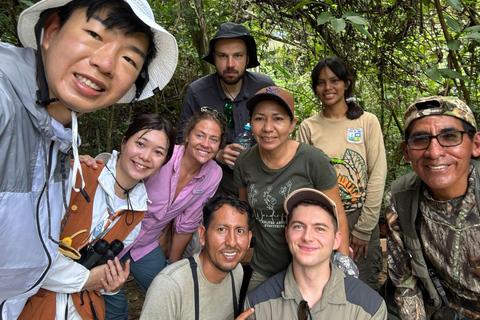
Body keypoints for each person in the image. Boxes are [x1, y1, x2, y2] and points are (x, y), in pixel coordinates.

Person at [0, 0, 177, 318]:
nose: (107, 63)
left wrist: (107, 281)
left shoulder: (59, 148)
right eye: (95, 35)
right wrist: (84, 278)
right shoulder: (9, 105)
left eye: (128, 58)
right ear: (51, 30)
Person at [17, 114, 175, 320]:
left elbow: (99, 273)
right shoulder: (77, 177)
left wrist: (110, 284)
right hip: (30, 303)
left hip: (83, 309)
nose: (146, 156)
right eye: (141, 144)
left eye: (158, 152)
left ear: (164, 161)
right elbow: (26, 255)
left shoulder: (136, 214)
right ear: (124, 141)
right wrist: (85, 279)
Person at [103, 107, 226, 319]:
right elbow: (118, 173)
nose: (205, 144)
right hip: (109, 242)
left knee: (171, 291)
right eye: (200, 135)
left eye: (213, 139)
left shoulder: (213, 174)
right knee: (115, 308)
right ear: (187, 135)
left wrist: (172, 264)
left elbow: (186, 224)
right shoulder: (162, 156)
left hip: (145, 244)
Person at [233, 86, 351, 291]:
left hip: (313, 270)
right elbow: (245, 213)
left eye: (278, 119)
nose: (268, 127)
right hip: (265, 267)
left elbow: (337, 213)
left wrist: (343, 264)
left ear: (292, 124)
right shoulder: (245, 161)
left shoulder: (313, 160)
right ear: (250, 123)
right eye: (260, 119)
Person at [385, 96, 480, 319]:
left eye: (449, 137)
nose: (434, 152)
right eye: (420, 139)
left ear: (475, 144)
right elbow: (405, 284)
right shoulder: (402, 198)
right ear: (406, 151)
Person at [297, 57, 387, 290]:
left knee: (362, 287)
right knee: (322, 285)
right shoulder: (308, 126)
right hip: (322, 220)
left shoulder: (367, 122)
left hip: (360, 217)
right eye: (321, 82)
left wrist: (364, 228)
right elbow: (302, 178)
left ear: (346, 83)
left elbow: (377, 174)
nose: (327, 88)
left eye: (334, 80)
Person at [245, 188, 387, 319]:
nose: (307, 236)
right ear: (287, 235)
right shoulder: (257, 303)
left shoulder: (369, 307)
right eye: (298, 226)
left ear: (336, 240)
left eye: (319, 228)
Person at [177, 22, 275, 196]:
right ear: (214, 58)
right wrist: (217, 154)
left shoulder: (264, 87)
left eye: (237, 56)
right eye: (223, 56)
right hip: (213, 183)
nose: (230, 64)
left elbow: (280, 132)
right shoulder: (198, 92)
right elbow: (182, 142)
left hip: (261, 180)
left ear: (247, 58)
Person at [140, 194, 255, 320]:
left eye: (239, 231)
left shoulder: (236, 271)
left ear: (249, 239)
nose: (231, 242)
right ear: (202, 235)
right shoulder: (169, 286)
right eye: (222, 229)